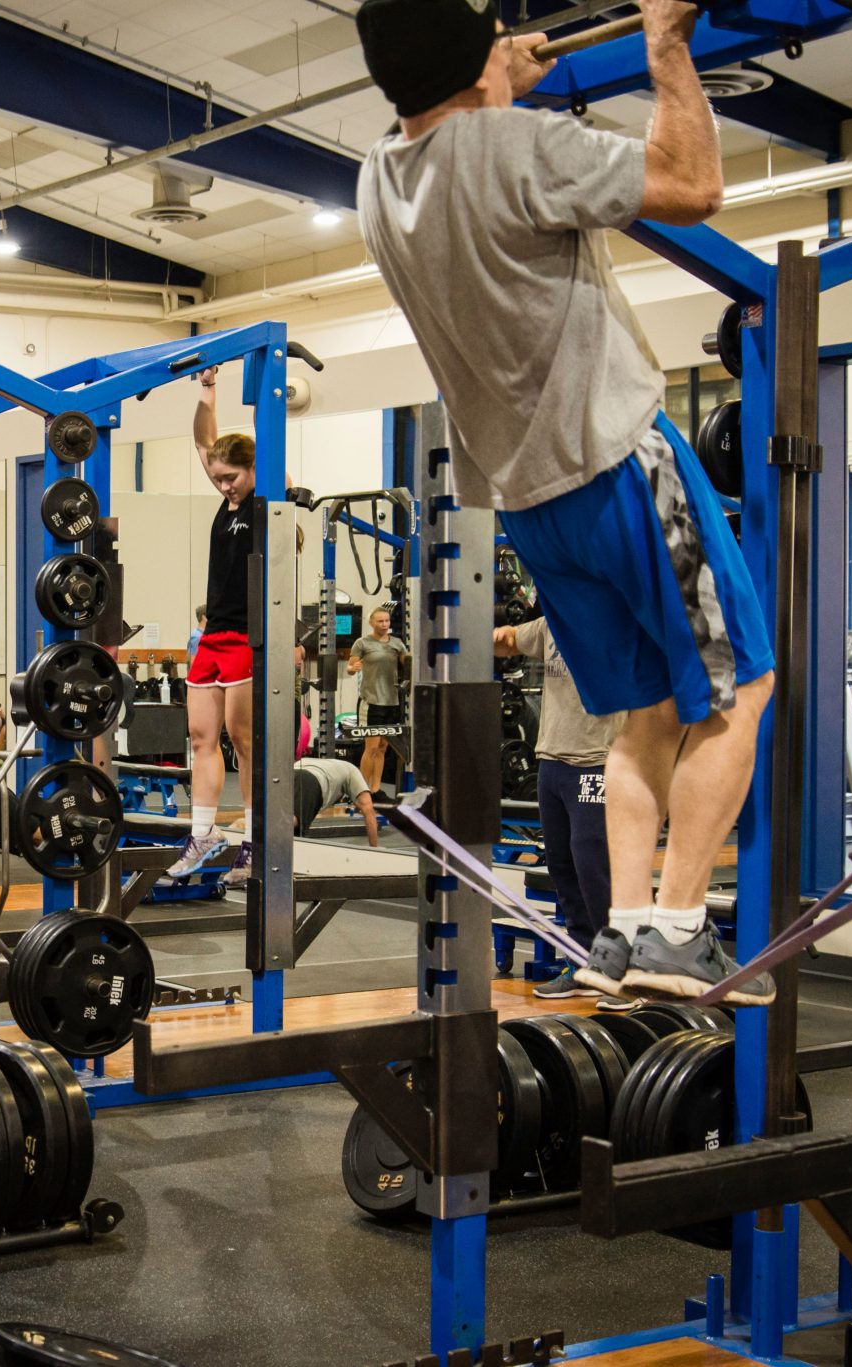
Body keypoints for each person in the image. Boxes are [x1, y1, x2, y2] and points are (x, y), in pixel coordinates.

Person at [354, 0, 776, 1005]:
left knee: (637, 713)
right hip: (620, 463)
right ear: (471, 54)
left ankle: (624, 929)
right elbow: (692, 182)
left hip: (531, 502)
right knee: (737, 688)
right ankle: (678, 925)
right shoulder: (516, 147)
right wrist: (665, 45)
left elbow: (440, 122)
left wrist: (485, 74)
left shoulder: (376, 181)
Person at [495, 615, 630, 1006]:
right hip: (550, 760)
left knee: (595, 867)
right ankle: (583, 961)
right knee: (562, 866)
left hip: (597, 760)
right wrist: (479, 634)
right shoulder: (551, 620)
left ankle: (623, 972)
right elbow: (509, 643)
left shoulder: (612, 615)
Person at [170, 368, 263, 883]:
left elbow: (256, 453)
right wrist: (209, 390)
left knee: (242, 738)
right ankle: (203, 833)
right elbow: (204, 439)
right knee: (200, 734)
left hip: (248, 636)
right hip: (213, 636)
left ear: (252, 469)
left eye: (232, 477)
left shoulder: (264, 495)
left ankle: (252, 840)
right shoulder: (227, 500)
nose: (223, 484)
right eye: (218, 477)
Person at [348, 606, 408, 797]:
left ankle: (375, 789)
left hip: (392, 701)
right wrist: (353, 668)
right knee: (371, 748)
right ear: (371, 623)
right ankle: (363, 791)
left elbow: (408, 665)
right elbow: (350, 667)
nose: (384, 624)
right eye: (380, 621)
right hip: (371, 701)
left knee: (382, 748)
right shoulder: (362, 643)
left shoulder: (397, 644)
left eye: (387, 621)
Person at [293, 754, 379, 849]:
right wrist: (374, 848)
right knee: (293, 823)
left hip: (289, 774)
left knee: (290, 832)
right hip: (310, 780)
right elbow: (368, 809)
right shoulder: (351, 769)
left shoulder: (307, 760)